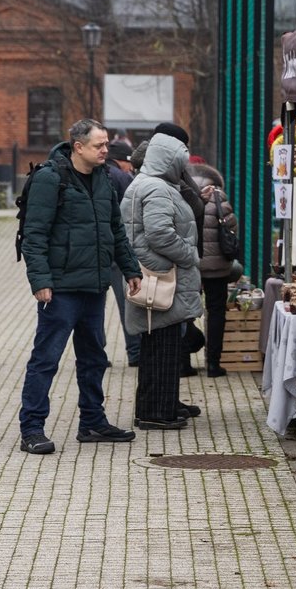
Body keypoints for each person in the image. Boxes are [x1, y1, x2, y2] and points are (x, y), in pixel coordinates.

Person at [18, 118, 142, 455]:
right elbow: (34, 235)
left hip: (94, 286)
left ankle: (92, 422)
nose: (107, 150)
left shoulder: (103, 178)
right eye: (99, 145)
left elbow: (115, 229)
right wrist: (41, 281)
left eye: (105, 144)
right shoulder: (50, 178)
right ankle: (31, 428)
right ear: (78, 146)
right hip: (60, 290)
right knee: (46, 359)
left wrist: (130, 268)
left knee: (94, 357)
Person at [121, 131, 203, 429]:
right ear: (168, 162)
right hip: (164, 279)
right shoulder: (157, 188)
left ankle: (154, 408)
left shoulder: (146, 184)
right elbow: (158, 233)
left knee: (156, 348)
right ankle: (159, 413)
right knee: (165, 348)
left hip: (157, 277)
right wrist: (187, 255)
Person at [133, 123, 207, 377]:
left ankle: (167, 401)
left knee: (173, 333)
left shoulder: (162, 178)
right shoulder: (158, 183)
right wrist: (189, 254)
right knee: (168, 337)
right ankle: (162, 405)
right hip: (168, 271)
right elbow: (158, 233)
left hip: (174, 267)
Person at [188, 162, 238, 378]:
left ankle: (182, 362)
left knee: (185, 313)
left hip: (191, 265)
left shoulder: (185, 194)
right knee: (216, 312)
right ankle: (213, 364)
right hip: (217, 268)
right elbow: (231, 227)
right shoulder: (220, 197)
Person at [105, 140, 140, 367]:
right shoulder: (122, 178)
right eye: (129, 163)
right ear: (121, 161)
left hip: (94, 252)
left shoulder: (92, 173)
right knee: (127, 303)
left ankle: (95, 355)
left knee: (93, 307)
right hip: (117, 251)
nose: (130, 168)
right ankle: (135, 353)